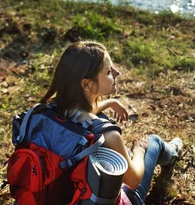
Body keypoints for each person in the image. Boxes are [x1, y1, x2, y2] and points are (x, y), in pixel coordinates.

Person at [39, 40, 183, 205]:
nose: (117, 73)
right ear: (87, 84)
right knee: (153, 142)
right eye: (108, 71)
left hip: (58, 195)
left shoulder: (47, 113)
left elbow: (80, 115)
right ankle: (173, 152)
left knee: (122, 157)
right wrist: (139, 150)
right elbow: (134, 180)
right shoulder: (108, 136)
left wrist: (109, 102)